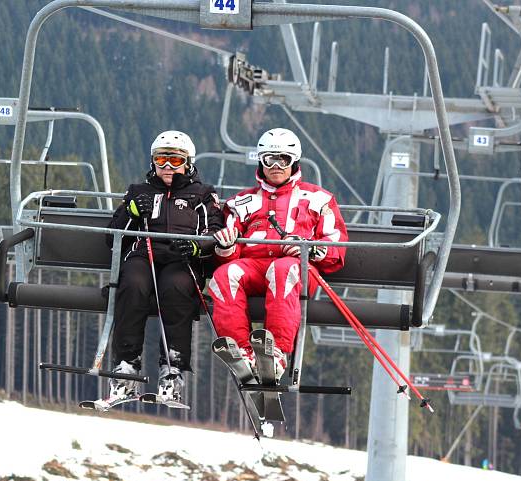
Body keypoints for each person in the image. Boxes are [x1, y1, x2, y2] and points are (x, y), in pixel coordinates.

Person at [208, 128, 348, 382]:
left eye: (283, 159)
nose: (276, 166)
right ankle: (243, 351)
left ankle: (277, 353)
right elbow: (230, 251)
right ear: (260, 161)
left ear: (294, 161)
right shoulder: (241, 202)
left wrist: (311, 248)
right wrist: (225, 249)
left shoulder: (318, 199)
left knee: (283, 269)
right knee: (224, 274)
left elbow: (336, 242)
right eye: (269, 159)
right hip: (253, 266)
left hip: (297, 268)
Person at [106, 130, 223, 402]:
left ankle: (173, 368)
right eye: (161, 160)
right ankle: (126, 365)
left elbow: (214, 233)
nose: (168, 167)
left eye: (176, 160)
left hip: (181, 259)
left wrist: (196, 247)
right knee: (133, 283)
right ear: (152, 162)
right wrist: (131, 212)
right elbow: (112, 239)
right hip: (143, 255)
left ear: (188, 163)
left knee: (176, 287)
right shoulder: (139, 192)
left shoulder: (202, 195)